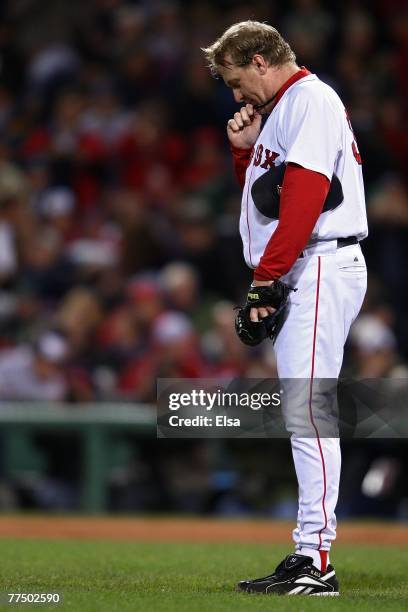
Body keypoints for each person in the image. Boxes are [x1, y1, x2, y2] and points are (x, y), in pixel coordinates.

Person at [203, 20, 368, 596]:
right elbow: (263, 207)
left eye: (235, 79)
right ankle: (308, 552)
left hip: (319, 262)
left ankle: (316, 560)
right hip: (302, 265)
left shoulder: (310, 99)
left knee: (309, 411)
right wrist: (243, 154)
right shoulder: (285, 111)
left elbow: (305, 195)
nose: (236, 95)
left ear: (259, 58)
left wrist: (266, 281)